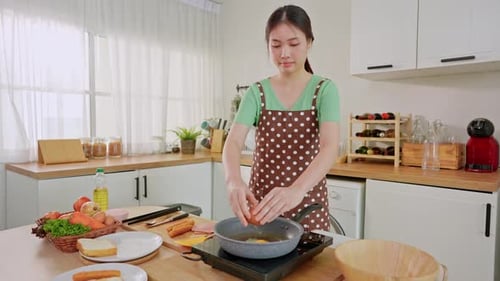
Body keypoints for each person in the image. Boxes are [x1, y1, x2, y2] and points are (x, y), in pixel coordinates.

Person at [222, 5, 340, 232]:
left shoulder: (325, 90)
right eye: (276, 45)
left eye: (294, 44)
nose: (284, 53)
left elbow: (329, 147)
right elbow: (234, 141)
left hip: (306, 204)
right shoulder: (256, 92)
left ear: (309, 43)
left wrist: (296, 190)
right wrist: (233, 180)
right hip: (262, 207)